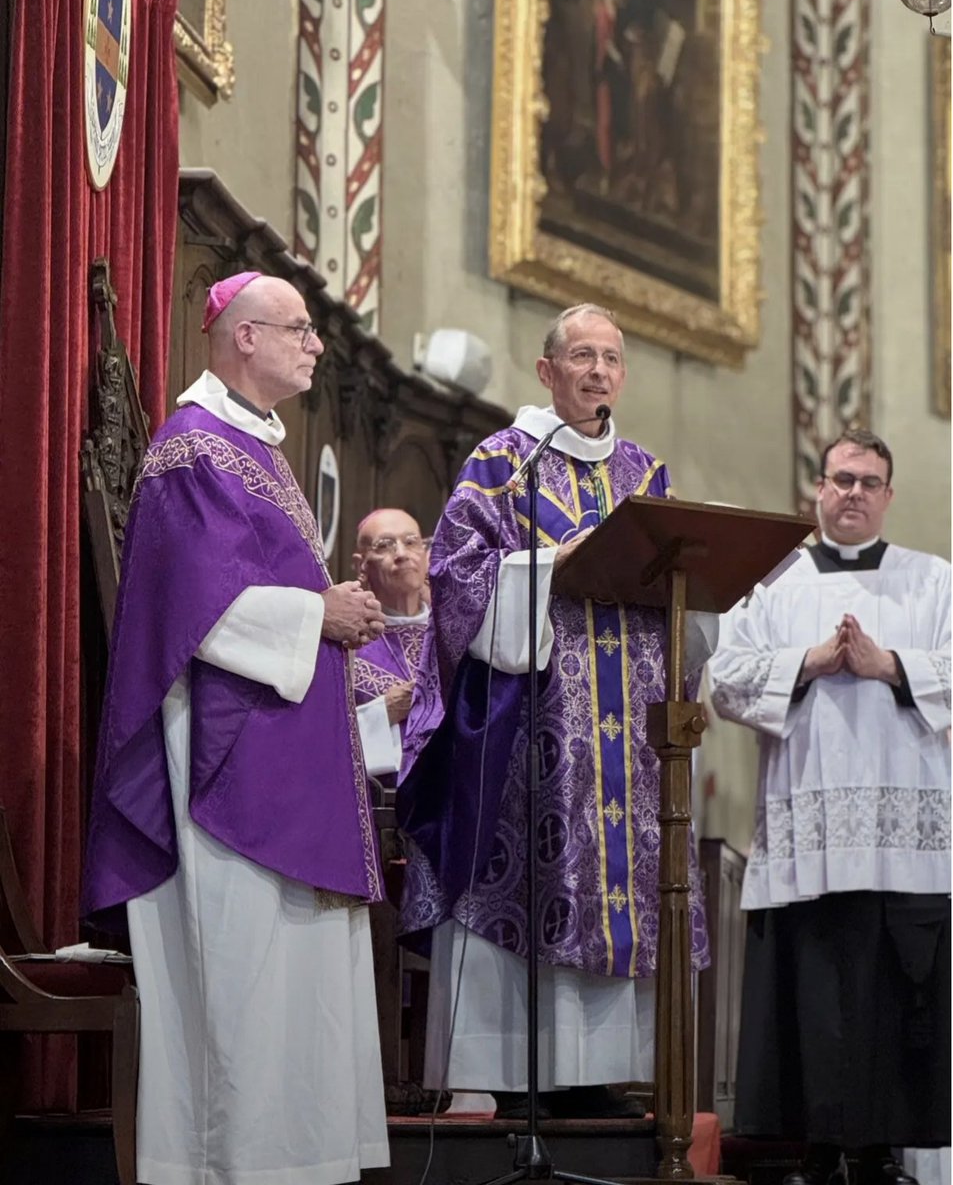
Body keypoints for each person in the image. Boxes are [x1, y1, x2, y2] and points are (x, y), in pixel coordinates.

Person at [81, 271, 390, 1185]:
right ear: (242, 337)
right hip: (228, 752)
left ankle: (296, 1159)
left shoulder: (252, 448)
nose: (316, 345)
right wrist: (316, 615)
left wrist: (342, 626)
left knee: (293, 975)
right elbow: (193, 604)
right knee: (244, 971)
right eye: (299, 329)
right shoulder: (192, 449)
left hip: (280, 740)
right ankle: (233, 1165)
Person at [395, 302, 714, 1119]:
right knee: (531, 872)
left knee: (620, 886)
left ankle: (597, 1075)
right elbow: (456, 580)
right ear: (546, 371)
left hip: (629, 742)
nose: (598, 371)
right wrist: (548, 564)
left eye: (610, 357)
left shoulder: (645, 476)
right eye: (581, 355)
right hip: (534, 727)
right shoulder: (504, 463)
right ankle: (500, 1071)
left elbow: (685, 592)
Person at [708, 429, 951, 1185]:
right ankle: (812, 1149)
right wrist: (807, 663)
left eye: (868, 482)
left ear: (887, 495)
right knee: (807, 993)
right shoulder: (770, 581)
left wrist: (891, 666)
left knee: (892, 998)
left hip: (900, 836)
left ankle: (880, 1152)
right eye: (840, 479)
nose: (852, 492)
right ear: (816, 487)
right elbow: (723, 677)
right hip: (804, 829)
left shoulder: (933, 580)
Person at [352, 509, 430, 789]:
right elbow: (317, 736)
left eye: (411, 542)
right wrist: (383, 712)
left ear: (426, 555)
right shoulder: (346, 641)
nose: (401, 554)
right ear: (361, 566)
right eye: (384, 545)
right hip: (379, 807)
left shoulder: (457, 635)